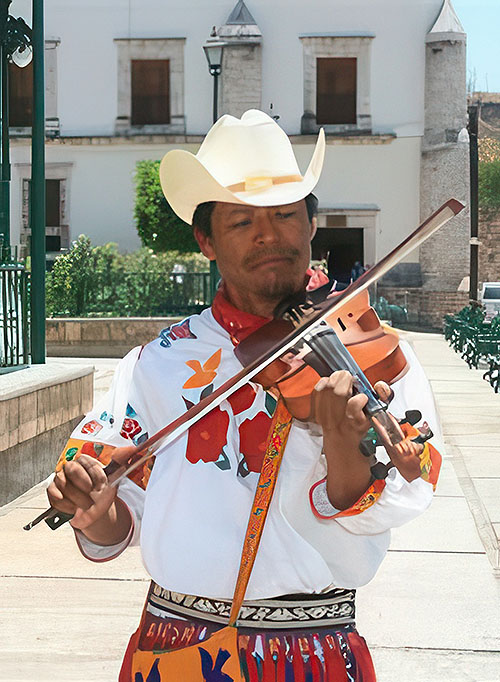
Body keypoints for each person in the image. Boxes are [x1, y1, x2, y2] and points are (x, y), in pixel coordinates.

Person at [47, 110, 442, 681]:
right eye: (240, 222)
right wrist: (94, 511)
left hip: (314, 650)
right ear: (205, 240)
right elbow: (117, 519)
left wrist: (344, 446)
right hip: (178, 647)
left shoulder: (367, 351)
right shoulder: (157, 362)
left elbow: (407, 492)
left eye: (285, 215)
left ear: (311, 225)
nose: (268, 234)